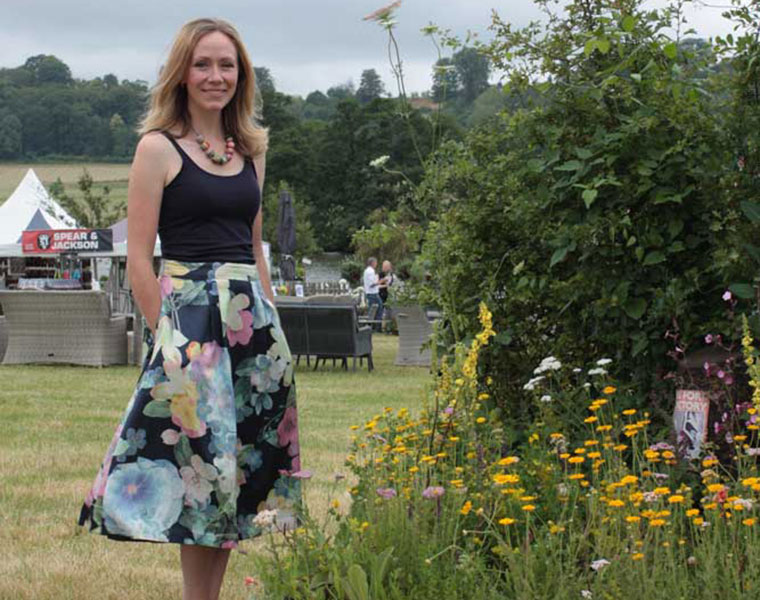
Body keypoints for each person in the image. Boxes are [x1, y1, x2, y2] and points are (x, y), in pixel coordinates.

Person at [77, 18, 300, 600]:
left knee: (235, 474)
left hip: (252, 329)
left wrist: (274, 325)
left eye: (227, 66)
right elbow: (140, 259)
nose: (215, 76)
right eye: (203, 64)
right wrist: (167, 342)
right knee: (199, 470)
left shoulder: (251, 149)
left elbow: (253, 248)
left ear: (241, 76)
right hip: (192, 328)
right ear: (182, 72)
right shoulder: (158, 148)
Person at [363, 257, 386, 330]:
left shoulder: (367, 271)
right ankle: (377, 327)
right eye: (376, 263)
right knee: (378, 308)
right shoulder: (370, 271)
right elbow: (372, 284)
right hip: (372, 294)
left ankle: (372, 326)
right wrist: (381, 281)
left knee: (373, 309)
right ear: (373, 263)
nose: (376, 264)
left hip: (371, 293)